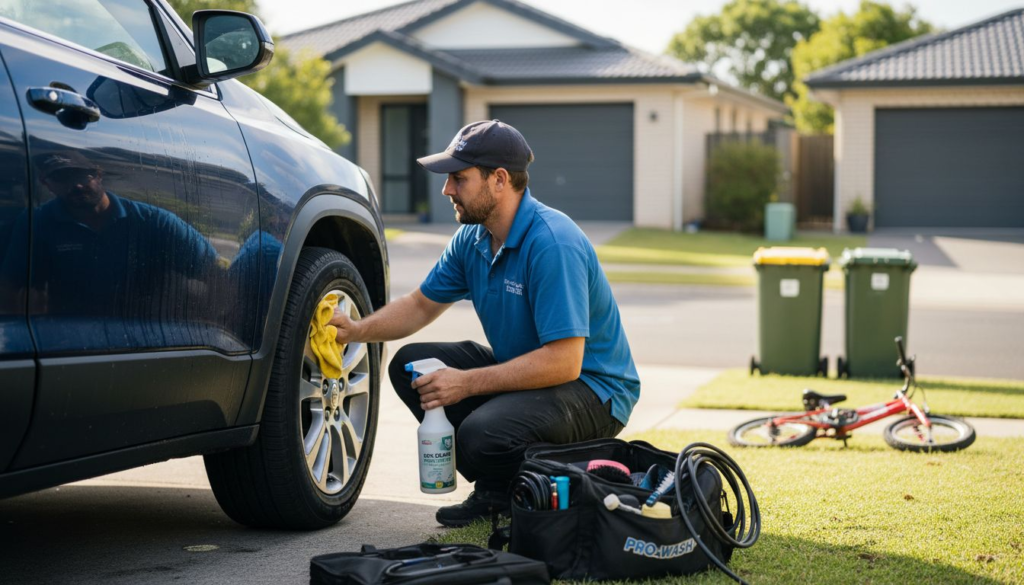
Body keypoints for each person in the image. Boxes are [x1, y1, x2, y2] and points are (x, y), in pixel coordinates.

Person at [330, 120, 641, 527]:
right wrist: (357, 329)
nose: (447, 190)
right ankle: (499, 489)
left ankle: (555, 483)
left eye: (459, 178)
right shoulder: (473, 239)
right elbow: (420, 305)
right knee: (411, 366)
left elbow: (565, 363)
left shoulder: (552, 243)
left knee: (481, 434)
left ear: (499, 180)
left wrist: (467, 382)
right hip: (541, 374)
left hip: (595, 391)